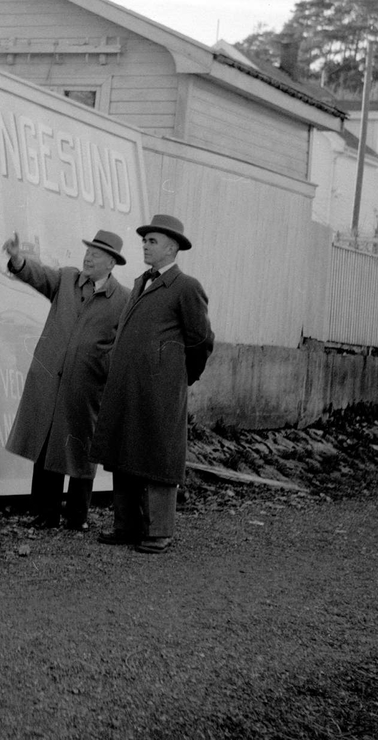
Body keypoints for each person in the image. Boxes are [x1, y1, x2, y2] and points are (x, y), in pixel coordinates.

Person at [90, 213, 214, 554]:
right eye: (144, 240)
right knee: (125, 449)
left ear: (172, 247)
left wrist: (177, 376)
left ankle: (158, 530)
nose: (145, 245)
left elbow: (200, 340)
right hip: (128, 384)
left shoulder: (186, 287)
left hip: (159, 389)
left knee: (158, 456)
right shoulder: (141, 282)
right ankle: (126, 526)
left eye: (153, 241)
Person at [2, 229, 128, 529]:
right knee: (47, 445)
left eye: (97, 254)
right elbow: (38, 275)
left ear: (111, 263)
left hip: (88, 388)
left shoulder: (122, 299)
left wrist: (101, 368)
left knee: (83, 450)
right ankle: (45, 514)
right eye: (88, 251)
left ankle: (77, 517)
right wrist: (17, 259)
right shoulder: (67, 280)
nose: (89, 256)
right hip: (50, 381)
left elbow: (122, 346)